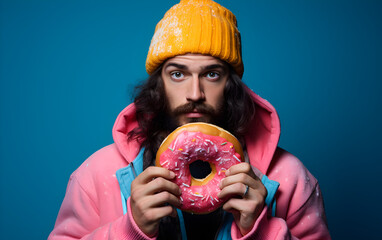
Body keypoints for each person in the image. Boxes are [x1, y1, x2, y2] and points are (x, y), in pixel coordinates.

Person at [49, 0, 331, 239]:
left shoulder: (291, 179)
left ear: (230, 84)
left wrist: (259, 230)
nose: (194, 94)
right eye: (177, 74)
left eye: (211, 74)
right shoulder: (96, 176)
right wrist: (130, 229)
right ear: (158, 83)